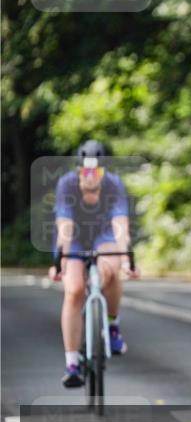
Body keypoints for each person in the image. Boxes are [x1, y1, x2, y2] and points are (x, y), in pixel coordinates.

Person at [47, 140, 140, 387]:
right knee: (74, 290)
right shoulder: (66, 184)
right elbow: (65, 228)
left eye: (96, 171)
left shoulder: (113, 185)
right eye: (86, 171)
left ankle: (112, 326)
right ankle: (72, 363)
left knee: (110, 269)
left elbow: (120, 225)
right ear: (78, 170)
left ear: (103, 171)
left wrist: (126, 258)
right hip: (74, 236)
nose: (90, 177)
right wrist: (61, 263)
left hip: (104, 233)